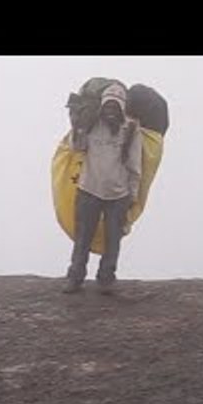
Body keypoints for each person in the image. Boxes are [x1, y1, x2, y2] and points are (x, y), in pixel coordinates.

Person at [64, 82, 142, 295]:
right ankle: (75, 277)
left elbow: (135, 166)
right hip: (88, 189)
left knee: (113, 240)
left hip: (118, 195)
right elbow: (77, 147)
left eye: (115, 107)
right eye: (107, 106)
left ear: (122, 108)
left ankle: (106, 279)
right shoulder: (91, 124)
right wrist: (76, 125)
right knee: (83, 238)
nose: (110, 111)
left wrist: (133, 196)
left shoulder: (132, 129)